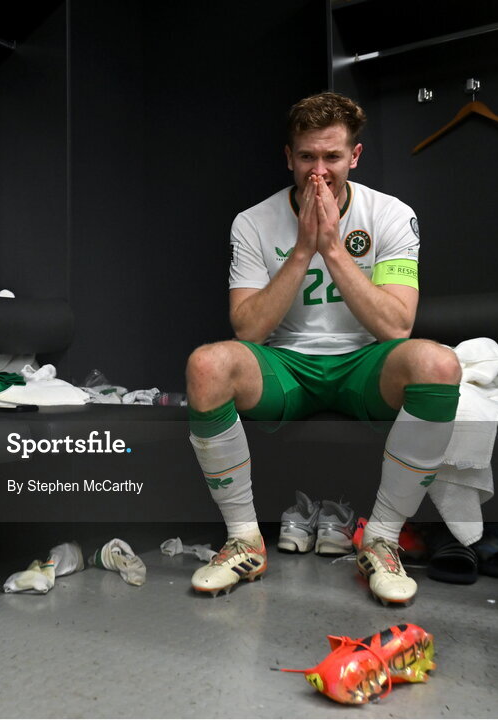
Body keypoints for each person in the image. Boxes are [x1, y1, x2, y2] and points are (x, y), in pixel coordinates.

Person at [185, 92, 460, 606]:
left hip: (363, 363)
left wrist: (333, 247)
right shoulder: (252, 222)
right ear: (287, 156)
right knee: (207, 365)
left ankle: (380, 541)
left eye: (332, 157)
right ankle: (244, 540)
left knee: (437, 362)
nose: (319, 171)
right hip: (286, 363)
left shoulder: (392, 214)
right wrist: (303, 249)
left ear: (354, 157)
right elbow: (248, 330)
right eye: (307, 157)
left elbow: (396, 327)